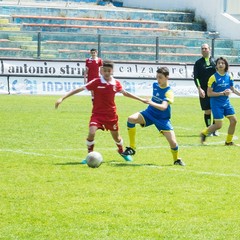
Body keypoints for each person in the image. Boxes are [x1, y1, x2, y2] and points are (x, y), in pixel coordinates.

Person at [55, 60, 147, 163]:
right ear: (101, 71)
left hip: (111, 115)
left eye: (109, 70)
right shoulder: (96, 81)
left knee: (116, 137)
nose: (107, 73)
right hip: (97, 114)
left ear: (112, 71)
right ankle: (89, 155)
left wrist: (141, 99)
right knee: (91, 132)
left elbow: (125, 93)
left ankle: (121, 151)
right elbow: (80, 89)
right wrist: (62, 98)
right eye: (105, 71)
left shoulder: (115, 83)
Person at [121, 67, 185, 166]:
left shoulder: (169, 92)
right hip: (149, 113)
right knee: (131, 119)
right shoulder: (155, 85)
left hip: (162, 119)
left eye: (160, 77)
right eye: (157, 77)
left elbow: (164, 107)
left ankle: (176, 160)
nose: (158, 80)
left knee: (173, 143)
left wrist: (150, 102)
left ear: (167, 77)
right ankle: (132, 148)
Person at [200, 57, 240, 145]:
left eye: (222, 63)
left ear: (225, 65)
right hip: (216, 104)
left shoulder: (229, 76)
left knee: (234, 121)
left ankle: (228, 141)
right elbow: (209, 93)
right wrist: (222, 93)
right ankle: (204, 133)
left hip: (226, 103)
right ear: (216, 66)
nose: (221, 64)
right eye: (219, 63)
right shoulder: (213, 78)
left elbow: (232, 89)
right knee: (218, 125)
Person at [193, 43, 218, 136]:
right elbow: (196, 77)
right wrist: (199, 89)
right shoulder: (198, 63)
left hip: (215, 89)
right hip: (204, 89)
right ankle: (209, 130)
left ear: (209, 49)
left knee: (216, 110)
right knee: (207, 110)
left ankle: (215, 129)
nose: (204, 50)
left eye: (205, 48)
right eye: (202, 49)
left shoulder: (215, 61)